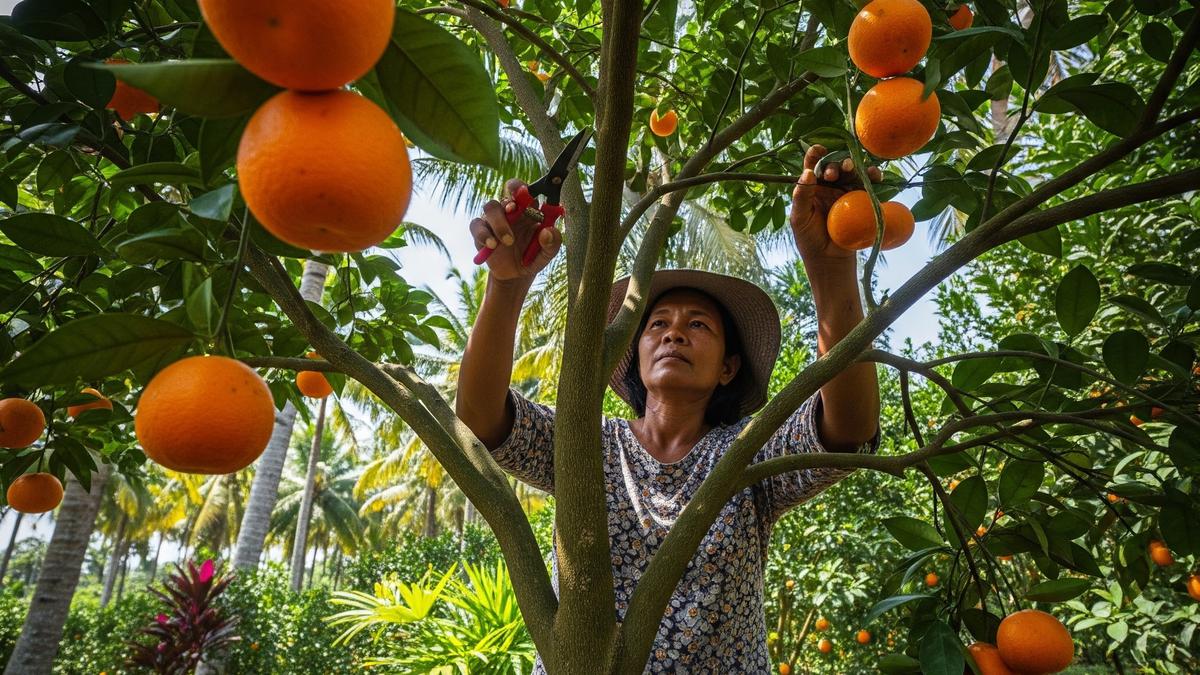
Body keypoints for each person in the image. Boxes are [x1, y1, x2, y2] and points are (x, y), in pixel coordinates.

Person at [456, 145, 883, 673]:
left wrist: (831, 268)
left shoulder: (748, 450)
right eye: (657, 324)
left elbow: (848, 426)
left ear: (728, 367)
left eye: (698, 325)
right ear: (633, 355)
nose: (674, 332)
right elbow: (481, 420)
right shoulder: (588, 444)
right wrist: (505, 286)